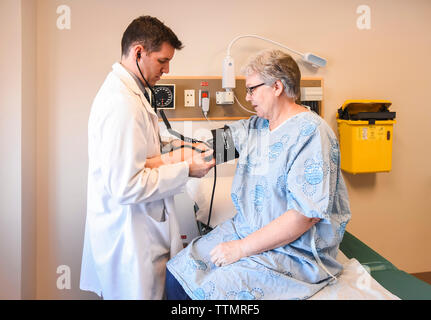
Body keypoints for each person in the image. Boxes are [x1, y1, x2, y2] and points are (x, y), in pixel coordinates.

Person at [165, 49, 351, 300]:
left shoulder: (312, 133)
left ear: (276, 86)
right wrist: (159, 157)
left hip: (293, 251)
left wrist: (240, 249)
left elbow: (304, 217)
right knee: (177, 271)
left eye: (252, 89)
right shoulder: (257, 127)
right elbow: (209, 148)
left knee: (211, 290)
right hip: (246, 230)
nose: (248, 97)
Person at [80, 15, 215, 300]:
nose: (167, 69)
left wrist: (173, 145)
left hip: (139, 231)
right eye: (162, 61)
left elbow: (138, 145)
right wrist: (185, 168)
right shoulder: (121, 103)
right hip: (131, 241)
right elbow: (126, 185)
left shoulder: (131, 93)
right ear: (139, 52)